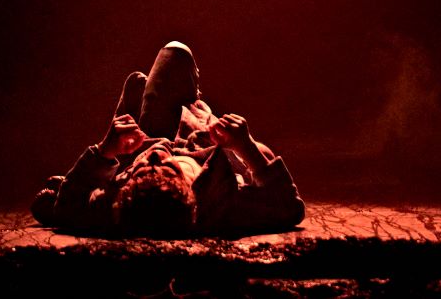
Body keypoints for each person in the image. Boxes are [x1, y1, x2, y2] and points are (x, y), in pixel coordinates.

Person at [30, 41, 304, 237]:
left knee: (160, 67)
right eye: (166, 168)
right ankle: (187, 95)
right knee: (178, 58)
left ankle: (143, 101)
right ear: (192, 189)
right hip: (200, 140)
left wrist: (104, 151)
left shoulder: (118, 207)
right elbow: (289, 207)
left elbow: (68, 209)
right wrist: (246, 146)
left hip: (143, 138)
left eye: (143, 169)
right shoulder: (220, 203)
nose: (155, 157)